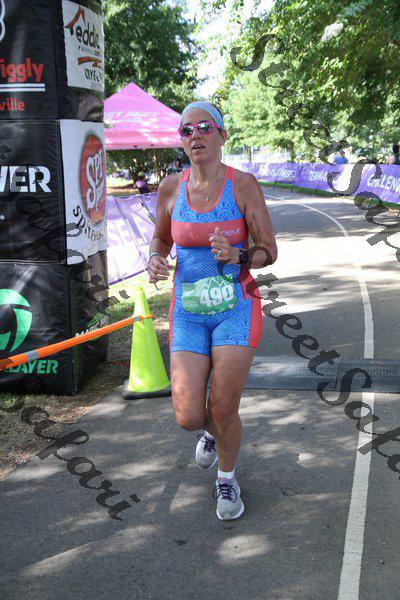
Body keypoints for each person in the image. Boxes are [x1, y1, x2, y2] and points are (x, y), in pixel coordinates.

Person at [147, 101, 277, 520]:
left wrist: (240, 255)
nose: (195, 135)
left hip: (236, 306)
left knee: (223, 406)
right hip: (188, 310)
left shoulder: (242, 185)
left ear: (222, 135)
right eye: (186, 130)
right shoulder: (171, 187)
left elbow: (269, 250)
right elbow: (161, 239)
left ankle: (227, 477)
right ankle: (211, 433)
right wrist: (154, 258)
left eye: (205, 127)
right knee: (188, 415)